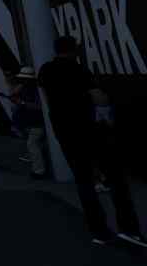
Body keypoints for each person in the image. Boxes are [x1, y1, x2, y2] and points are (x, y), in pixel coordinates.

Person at [39, 36, 146, 247]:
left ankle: (99, 231)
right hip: (90, 129)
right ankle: (129, 229)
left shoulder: (45, 71)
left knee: (84, 181)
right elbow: (98, 97)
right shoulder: (78, 70)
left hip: (64, 131)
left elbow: (46, 98)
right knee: (116, 178)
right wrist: (106, 115)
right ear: (74, 50)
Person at [9, 67, 47, 179]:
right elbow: (13, 95)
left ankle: (39, 171)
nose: (23, 81)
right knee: (34, 144)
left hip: (37, 122)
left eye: (25, 79)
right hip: (29, 122)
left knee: (32, 144)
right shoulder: (25, 88)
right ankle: (39, 167)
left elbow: (39, 107)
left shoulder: (36, 90)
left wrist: (22, 102)